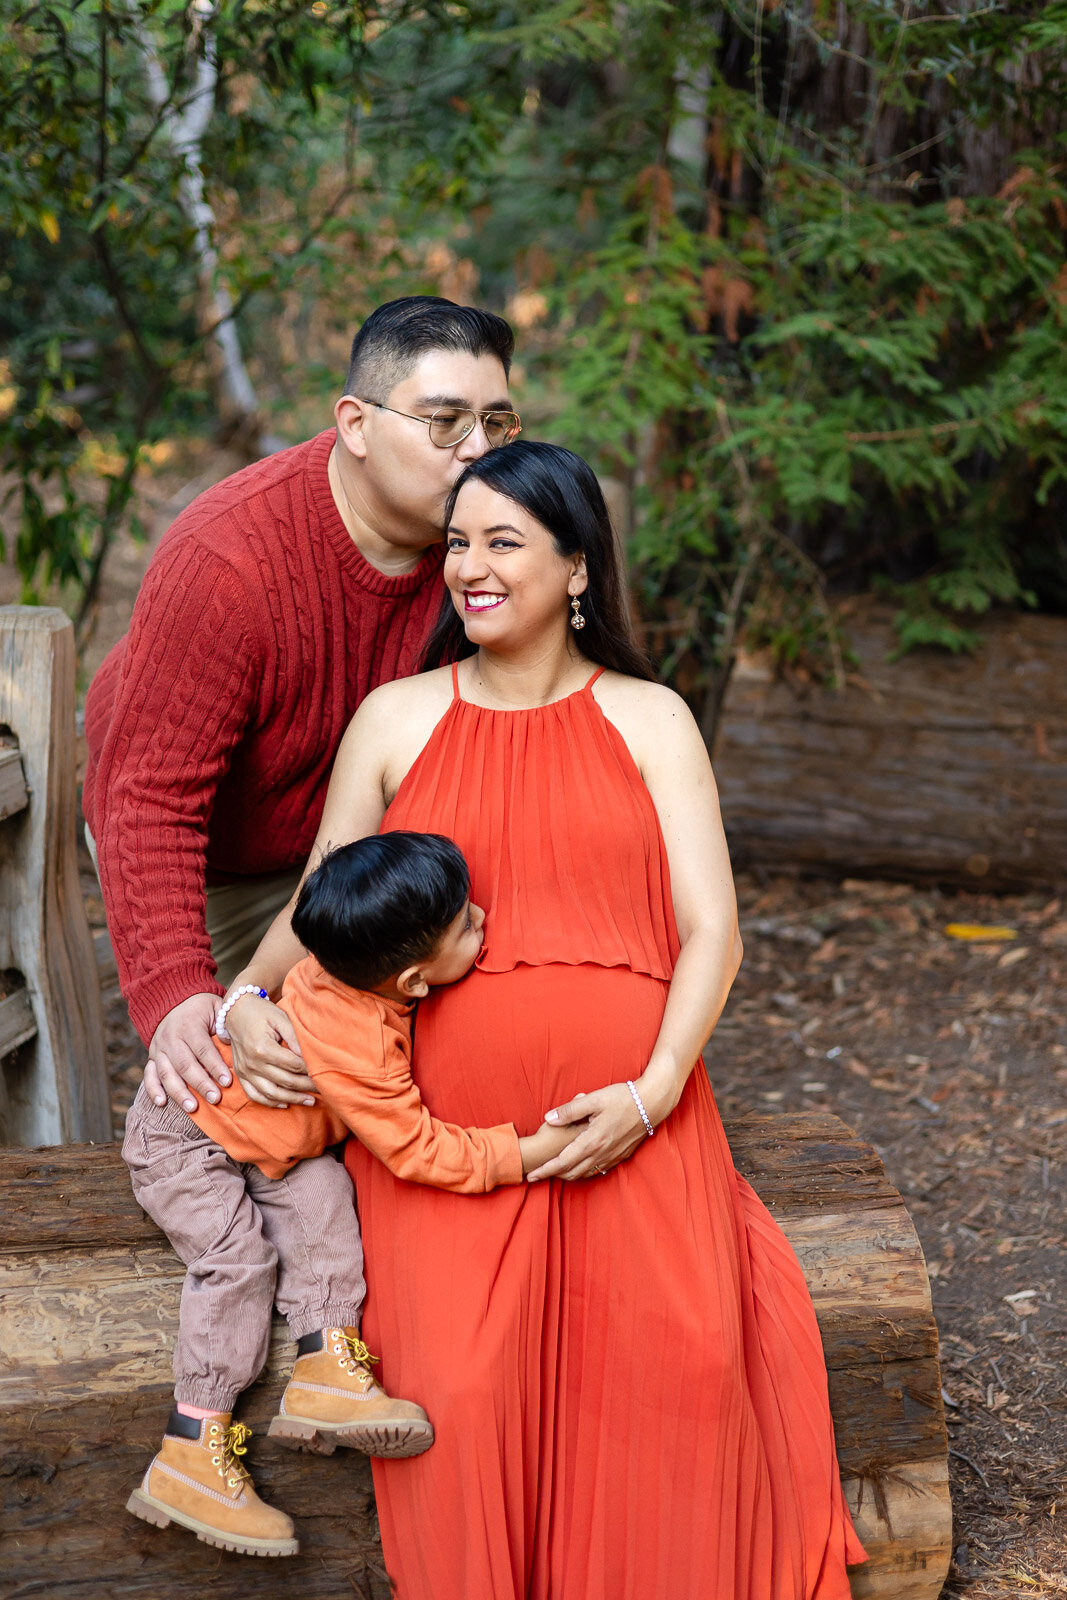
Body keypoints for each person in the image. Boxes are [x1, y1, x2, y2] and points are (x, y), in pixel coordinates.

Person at [221, 440, 867, 1597]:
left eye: (501, 542)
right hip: (442, 1154)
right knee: (460, 1412)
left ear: (576, 567)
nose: (468, 565)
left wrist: (650, 1092)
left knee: (683, 1377)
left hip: (635, 1129)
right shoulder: (395, 718)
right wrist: (232, 999)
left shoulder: (650, 717)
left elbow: (711, 932)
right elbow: (319, 912)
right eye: (456, 542)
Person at [83, 295, 519, 1115]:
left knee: (437, 1057)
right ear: (355, 424)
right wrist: (177, 991)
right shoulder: (226, 563)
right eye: (445, 423)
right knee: (248, 1094)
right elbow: (147, 799)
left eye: (497, 422)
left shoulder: (486, 547)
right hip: (224, 852)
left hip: (368, 840)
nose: (479, 451)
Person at [123, 830, 576, 1559]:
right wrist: (525, 1154)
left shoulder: (337, 947)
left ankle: (325, 1369)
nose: (484, 916)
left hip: (278, 1146)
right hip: (186, 1138)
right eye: (466, 924)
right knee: (237, 1261)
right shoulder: (356, 1046)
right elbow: (417, 1148)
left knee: (326, 1194)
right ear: (414, 983)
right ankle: (189, 1449)